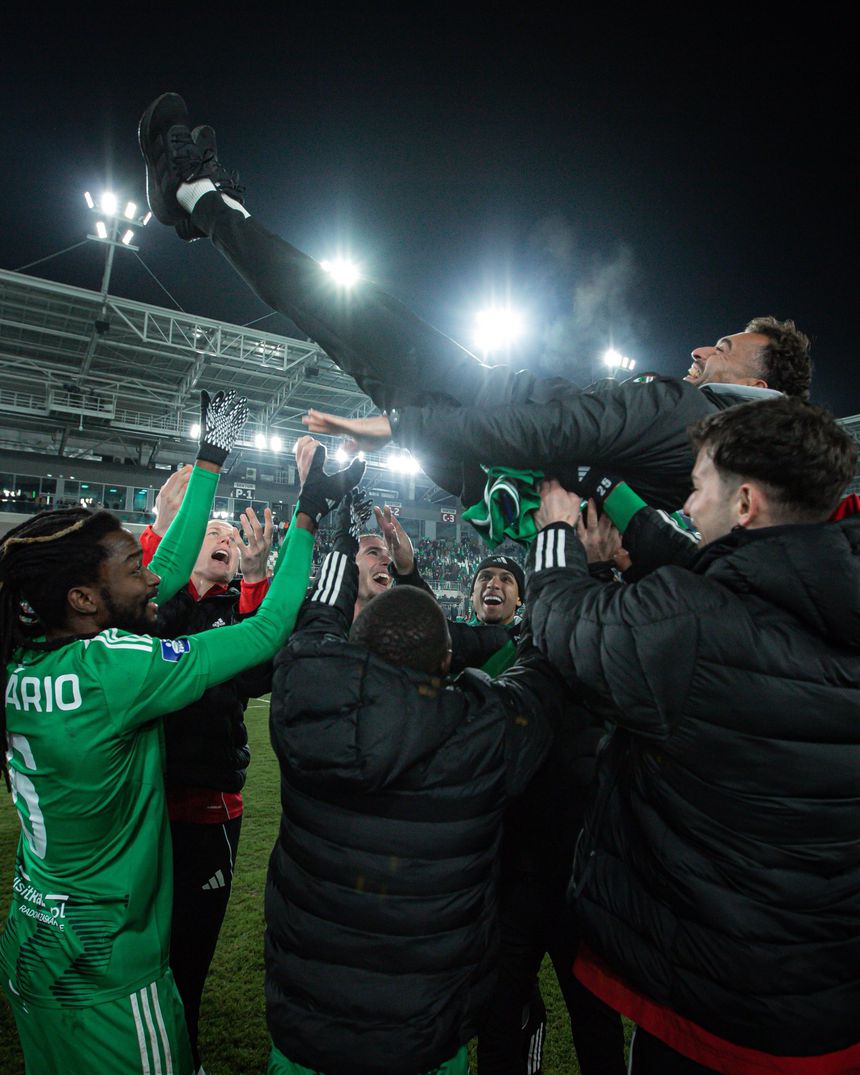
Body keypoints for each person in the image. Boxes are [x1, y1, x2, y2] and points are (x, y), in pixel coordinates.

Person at [138, 93, 812, 513]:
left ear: (759, 387)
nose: (702, 348)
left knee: (327, 299)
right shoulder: (726, 468)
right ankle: (213, 208)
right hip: (478, 449)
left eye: (725, 348)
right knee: (324, 308)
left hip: (469, 401)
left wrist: (406, 426)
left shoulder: (695, 415)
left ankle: (194, 194)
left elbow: (557, 430)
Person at [0, 403, 362, 1075]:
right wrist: (309, 513)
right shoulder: (112, 669)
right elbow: (265, 632)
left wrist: (211, 460)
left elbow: (165, 567)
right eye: (129, 565)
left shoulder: (25, 658)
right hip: (106, 967)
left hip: (35, 940)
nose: (151, 573)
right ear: (82, 599)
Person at [526, 395, 860, 1073]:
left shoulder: (695, 622)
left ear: (745, 504)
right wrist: (605, 489)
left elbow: (566, 625)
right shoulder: (828, 593)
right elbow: (708, 564)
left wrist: (556, 534)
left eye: (698, 485)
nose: (687, 502)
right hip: (827, 997)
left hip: (716, 1009)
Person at [262, 486, 568, 1075]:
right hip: (424, 1037)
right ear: (448, 661)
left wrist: (335, 525)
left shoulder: (304, 696)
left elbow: (320, 615)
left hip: (306, 1029)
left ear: (354, 644)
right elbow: (543, 669)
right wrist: (554, 547)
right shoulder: (481, 737)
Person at [139, 472, 274, 1075]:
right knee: (139, 946)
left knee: (191, 952)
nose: (224, 537)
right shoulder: (154, 601)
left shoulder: (236, 608)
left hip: (210, 806)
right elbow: (136, 630)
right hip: (140, 803)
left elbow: (259, 673)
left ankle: (183, 1051)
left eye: (230, 535)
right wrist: (165, 528)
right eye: (211, 530)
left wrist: (256, 579)